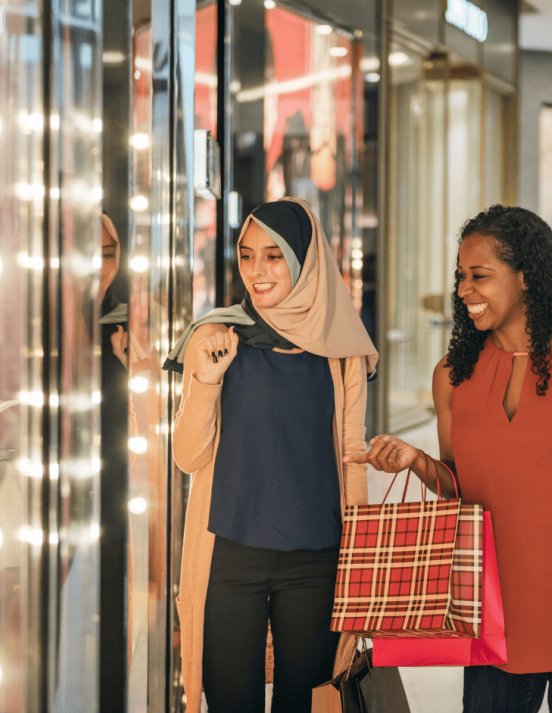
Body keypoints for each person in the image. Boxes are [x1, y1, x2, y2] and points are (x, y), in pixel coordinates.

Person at [347, 205, 552, 713]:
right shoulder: (452, 375)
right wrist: (417, 461)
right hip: (491, 614)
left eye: (480, 276)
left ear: (527, 276)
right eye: (460, 277)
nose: (465, 289)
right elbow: (459, 491)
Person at [164, 198, 378, 713]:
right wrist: (207, 383)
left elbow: (351, 456)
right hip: (230, 555)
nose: (257, 272)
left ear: (306, 260)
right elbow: (188, 458)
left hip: (316, 557)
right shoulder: (215, 336)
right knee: (230, 701)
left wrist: (361, 562)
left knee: (302, 705)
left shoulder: (340, 347)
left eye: (274, 256)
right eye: (246, 255)